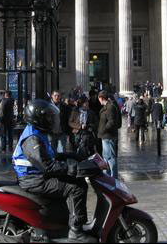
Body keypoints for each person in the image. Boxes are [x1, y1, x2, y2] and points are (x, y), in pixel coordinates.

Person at [12, 99, 95, 242]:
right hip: (34, 180)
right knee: (76, 188)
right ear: (39, 118)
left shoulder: (37, 132)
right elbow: (47, 166)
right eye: (48, 117)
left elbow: (50, 156)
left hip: (37, 176)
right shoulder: (32, 139)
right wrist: (71, 168)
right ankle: (76, 231)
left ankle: (66, 223)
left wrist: (73, 156)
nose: (51, 120)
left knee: (78, 182)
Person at [97, 91, 121, 179]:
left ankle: (113, 177)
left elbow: (112, 121)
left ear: (101, 98)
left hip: (109, 136)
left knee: (111, 157)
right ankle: (107, 176)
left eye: (98, 98)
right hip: (105, 136)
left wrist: (103, 129)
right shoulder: (106, 107)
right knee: (106, 157)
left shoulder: (110, 107)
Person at [69, 95, 98, 160]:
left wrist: (88, 126)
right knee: (76, 150)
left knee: (88, 151)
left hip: (88, 135)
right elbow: (70, 122)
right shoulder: (75, 111)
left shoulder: (91, 112)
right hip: (77, 134)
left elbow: (96, 124)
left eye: (87, 102)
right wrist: (79, 126)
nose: (87, 103)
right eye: (86, 102)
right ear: (81, 103)